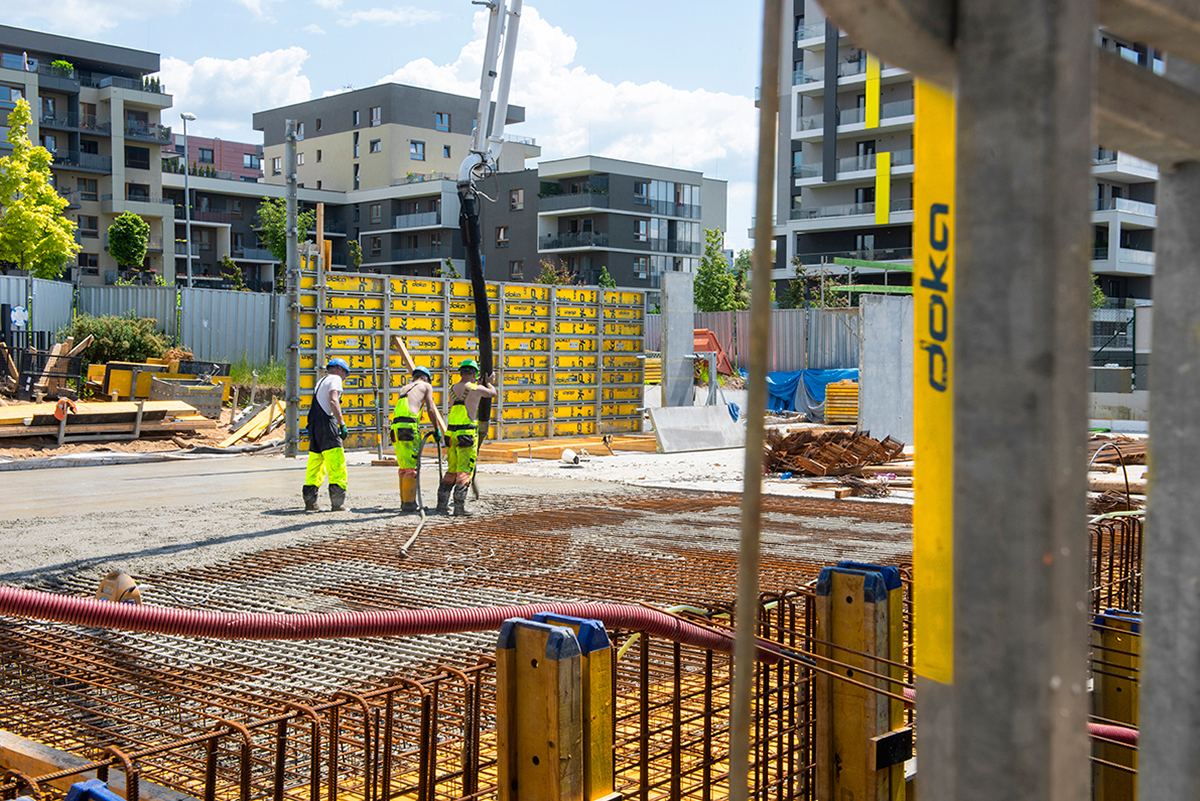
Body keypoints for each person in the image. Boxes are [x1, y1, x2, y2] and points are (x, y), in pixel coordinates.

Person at [437, 358, 497, 516]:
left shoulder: (452, 388)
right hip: (466, 434)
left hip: (450, 433)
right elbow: (492, 393)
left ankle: (441, 506)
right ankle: (459, 508)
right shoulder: (475, 389)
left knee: (451, 470)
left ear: (461, 373)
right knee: (464, 471)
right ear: (474, 374)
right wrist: (489, 382)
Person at [390, 365, 447, 512]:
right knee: (411, 467)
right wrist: (436, 429)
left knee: (403, 466)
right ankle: (409, 504)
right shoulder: (426, 386)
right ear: (426, 378)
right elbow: (431, 409)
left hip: (395, 428)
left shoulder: (404, 389)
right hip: (408, 428)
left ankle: (405, 502)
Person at [303, 357, 350, 512]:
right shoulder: (335, 379)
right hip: (326, 424)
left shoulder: (321, 381)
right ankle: (337, 504)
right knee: (336, 462)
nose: (344, 378)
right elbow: (333, 401)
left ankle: (311, 502)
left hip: (314, 424)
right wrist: (341, 423)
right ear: (339, 369)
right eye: (345, 374)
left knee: (315, 463)